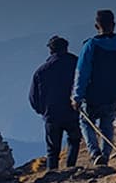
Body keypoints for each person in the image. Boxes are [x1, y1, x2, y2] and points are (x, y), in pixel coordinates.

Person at [73, 10, 116, 166]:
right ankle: (106, 155)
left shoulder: (90, 46)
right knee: (107, 123)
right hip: (114, 93)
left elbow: (82, 72)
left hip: (93, 94)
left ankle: (95, 153)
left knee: (86, 122)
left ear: (96, 26)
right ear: (113, 24)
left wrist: (76, 96)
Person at [27, 36, 80, 170]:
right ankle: (71, 167)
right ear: (66, 48)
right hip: (72, 111)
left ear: (51, 50)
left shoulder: (42, 71)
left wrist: (42, 110)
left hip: (51, 114)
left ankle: (53, 175)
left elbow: (33, 97)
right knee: (74, 140)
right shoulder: (77, 64)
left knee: (52, 149)